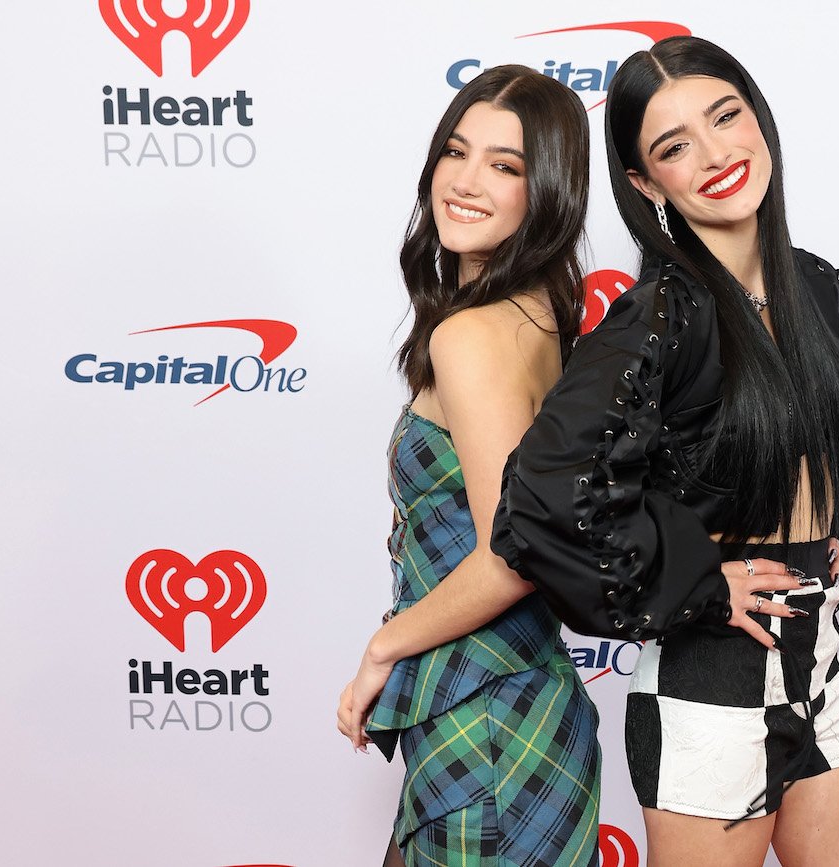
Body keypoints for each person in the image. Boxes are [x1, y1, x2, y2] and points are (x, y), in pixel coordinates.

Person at [490, 37, 839, 866]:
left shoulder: (817, 288)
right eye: (674, 146)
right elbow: (546, 491)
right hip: (709, 683)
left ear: (760, 122)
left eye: (727, 117)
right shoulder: (659, 316)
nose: (715, 154)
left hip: (815, 667)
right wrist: (698, 580)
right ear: (647, 184)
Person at [335, 65, 600, 867]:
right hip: (512, 711)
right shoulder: (541, 314)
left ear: (546, 189)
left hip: (486, 728)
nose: (467, 180)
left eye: (506, 165)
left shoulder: (473, 336)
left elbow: (509, 555)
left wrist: (384, 648)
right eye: (457, 151)